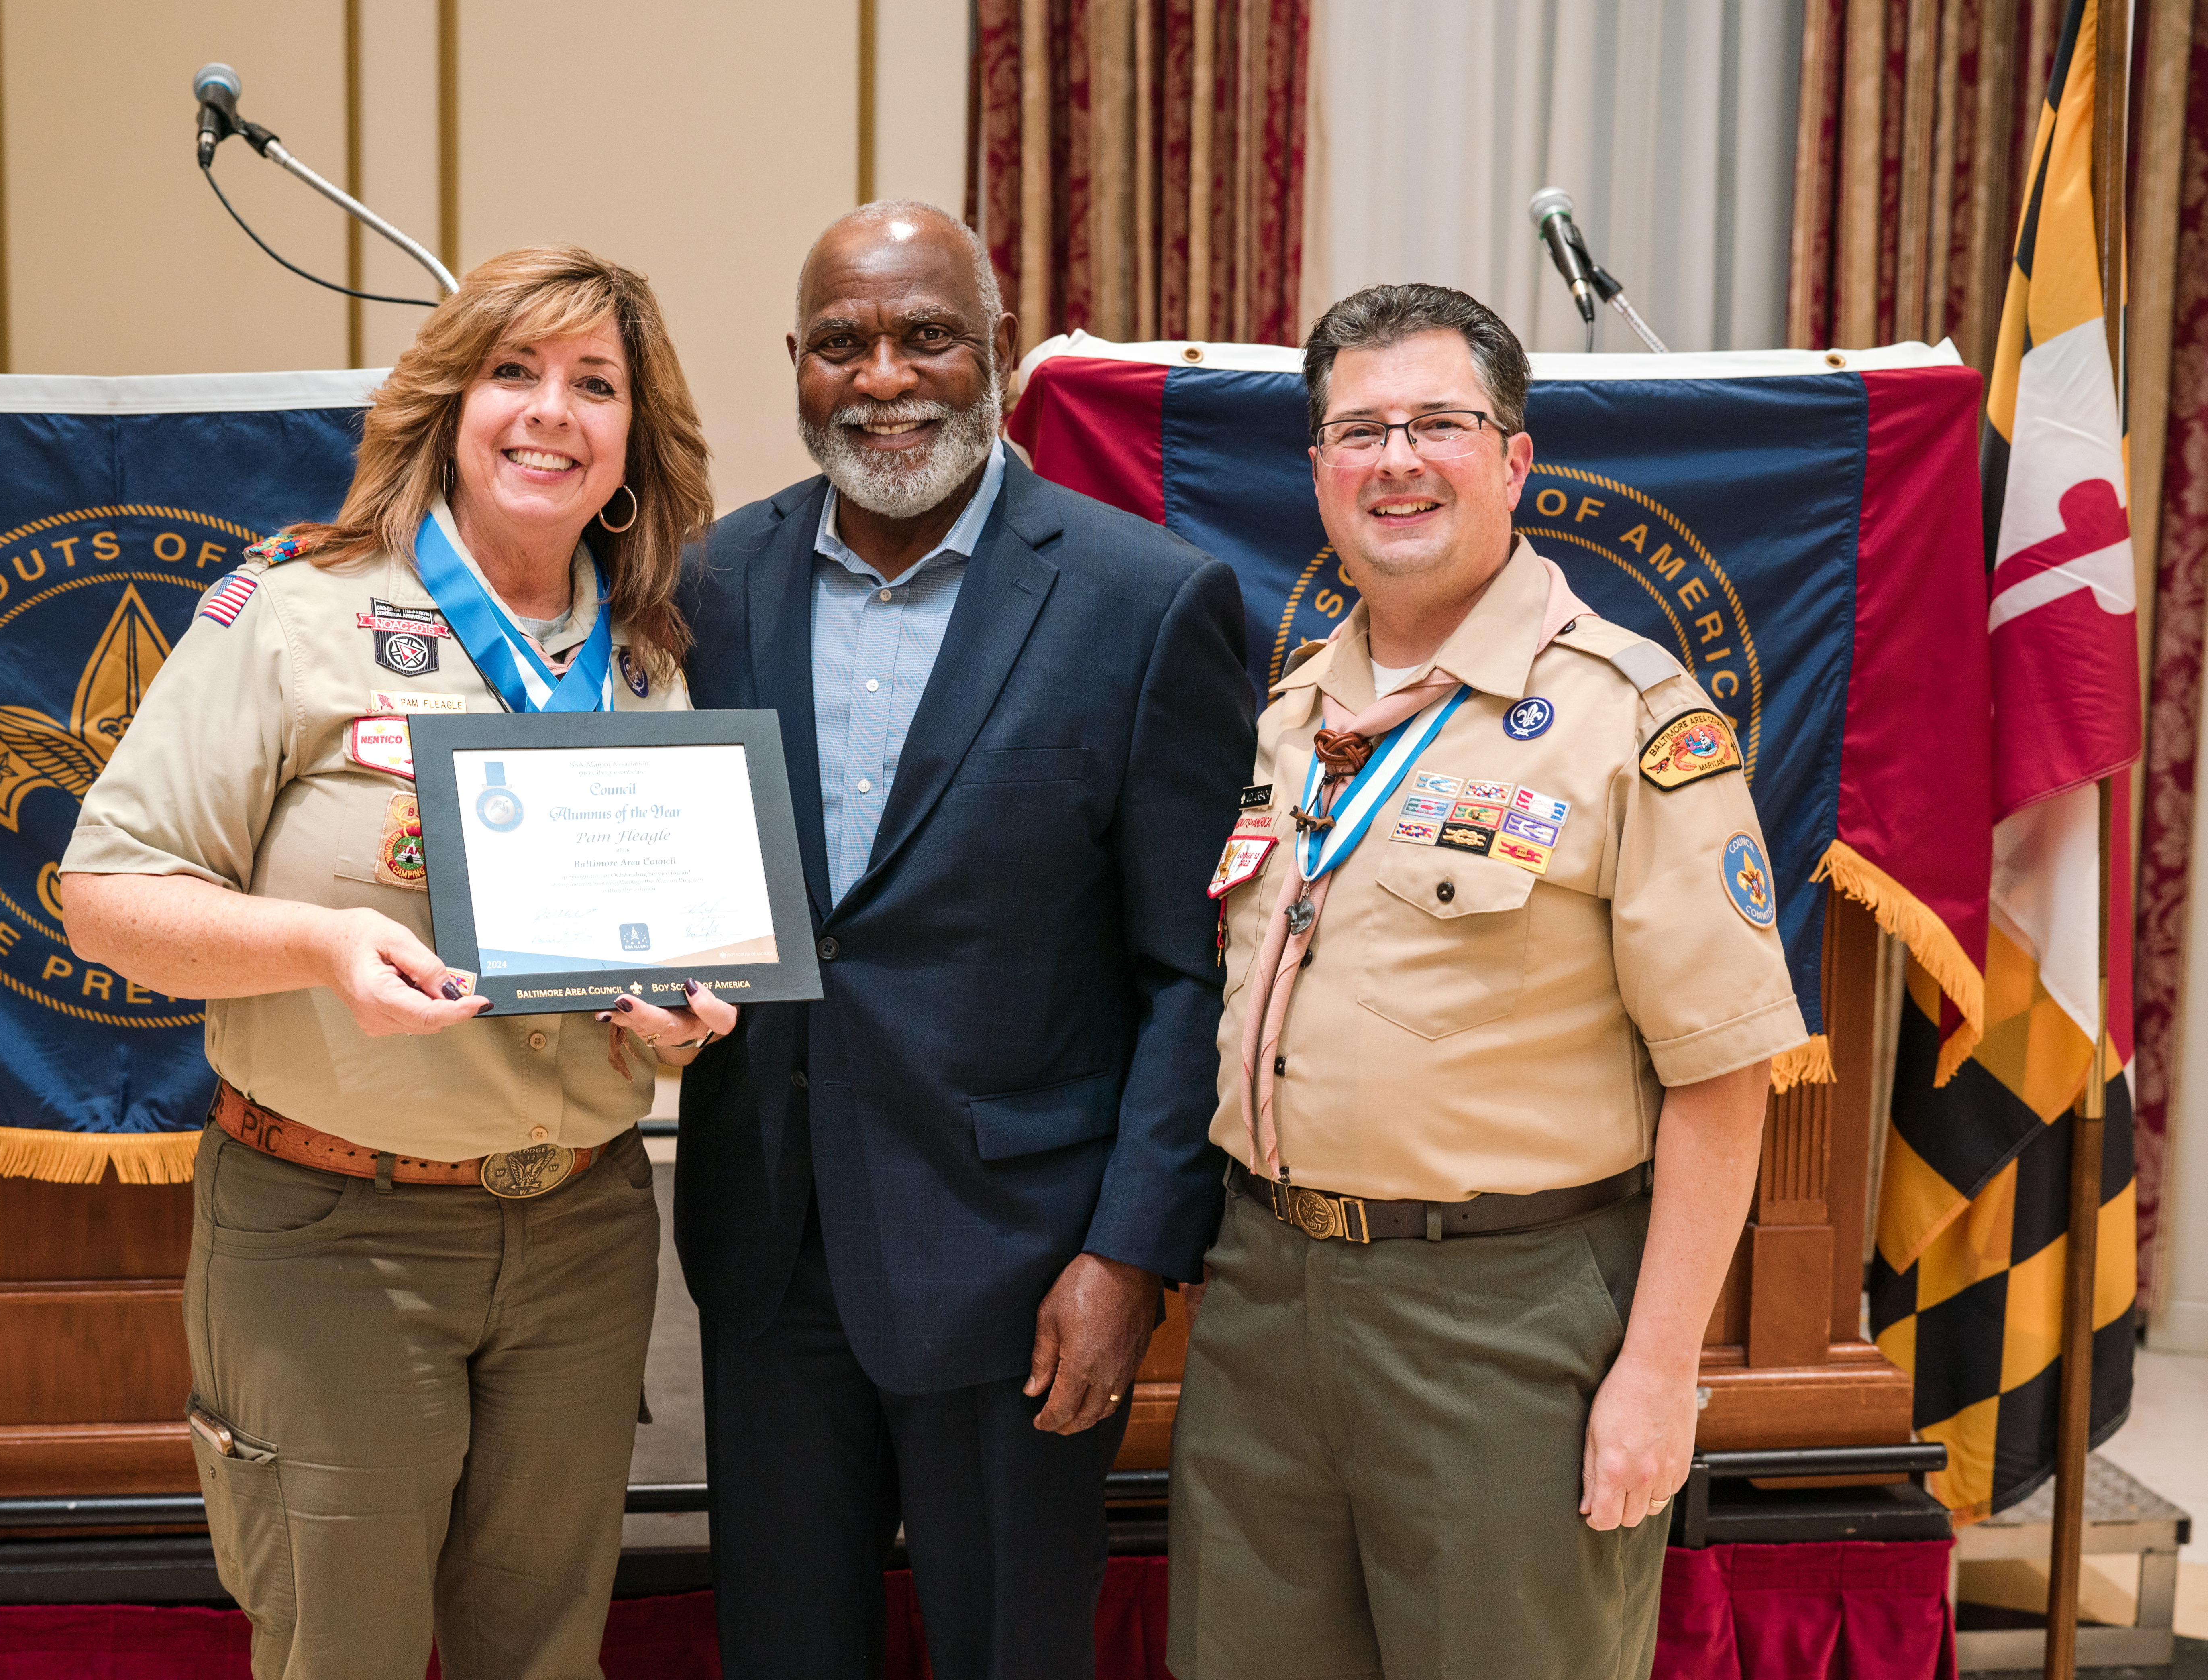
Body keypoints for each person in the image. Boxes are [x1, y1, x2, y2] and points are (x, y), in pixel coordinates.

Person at [59, 246, 732, 1680]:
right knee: (340, 1654)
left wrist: (680, 1017)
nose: (552, 412)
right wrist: (317, 941)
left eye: (594, 384)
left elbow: (651, 960)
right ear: (447, 405)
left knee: (547, 1653)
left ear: (629, 442)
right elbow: (102, 898)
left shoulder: (647, 661)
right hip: (333, 1233)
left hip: (583, 1234)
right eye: (515, 372)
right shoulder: (290, 614)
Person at [1166, 283, 1802, 1679]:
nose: (1395, 460)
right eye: (1358, 430)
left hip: (1505, 1325)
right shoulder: (1286, 720)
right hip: (1267, 1297)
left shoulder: (1629, 715)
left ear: (1514, 459)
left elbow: (1722, 1067)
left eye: (1438, 424)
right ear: (1317, 471)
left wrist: (1656, 1373)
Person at [673, 200, 1253, 1679]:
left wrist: (1129, 1255)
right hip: (767, 1249)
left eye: (926, 334)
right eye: (840, 344)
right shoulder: (707, 587)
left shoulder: (1146, 601)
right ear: (793, 366)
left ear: (995, 350)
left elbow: (1186, 975)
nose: (883, 377)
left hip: (1021, 1272)